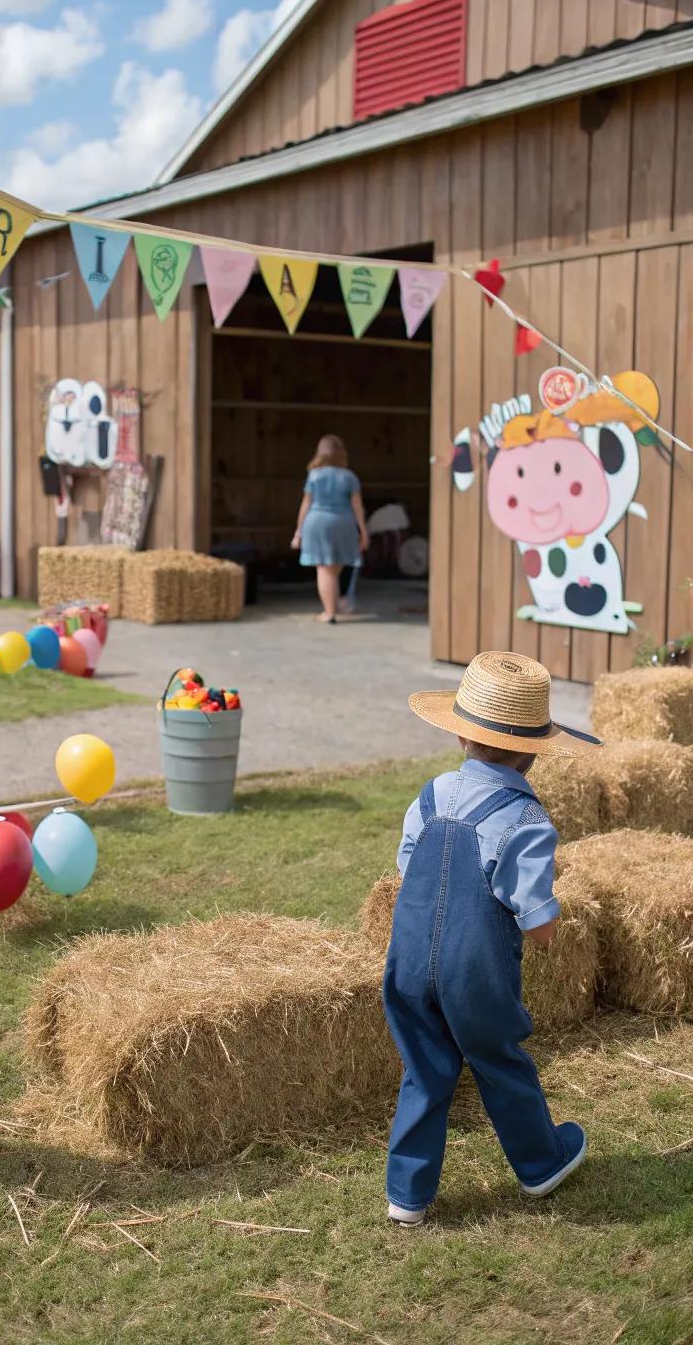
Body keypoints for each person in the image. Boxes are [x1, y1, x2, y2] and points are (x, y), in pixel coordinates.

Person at [383, 650, 601, 1226]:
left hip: (407, 961)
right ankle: (541, 1163)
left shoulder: (430, 796)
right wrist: (550, 925)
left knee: (424, 1067)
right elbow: (539, 921)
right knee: (499, 1060)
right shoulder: (524, 818)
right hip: (474, 971)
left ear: (461, 736)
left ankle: (407, 1195)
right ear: (533, 752)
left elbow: (409, 871)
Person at [291, 434, 368, 623]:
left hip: (317, 521)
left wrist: (298, 531)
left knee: (324, 569)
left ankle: (329, 612)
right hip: (343, 523)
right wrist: (363, 531)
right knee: (334, 568)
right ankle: (335, 605)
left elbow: (305, 505)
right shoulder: (349, 477)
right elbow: (357, 507)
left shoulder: (314, 475)